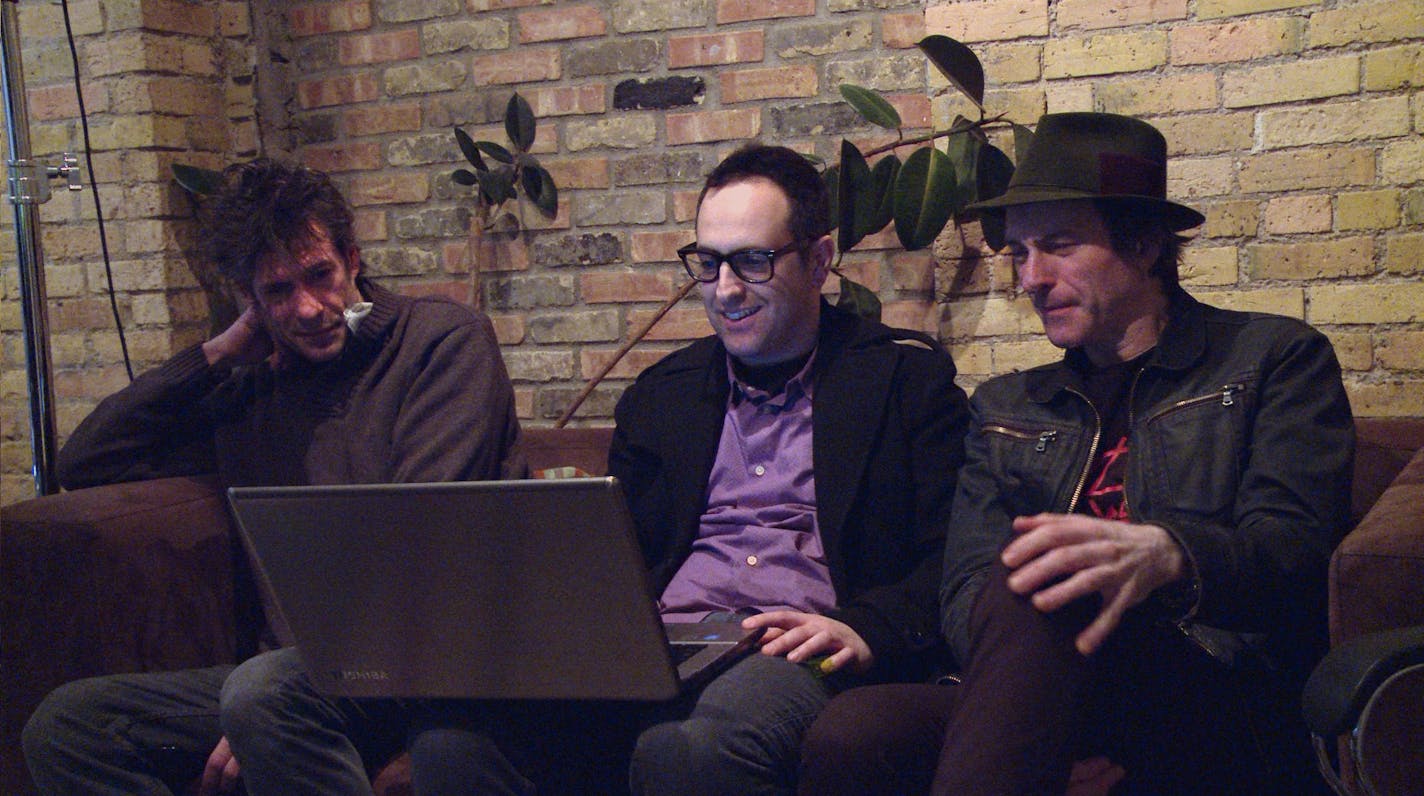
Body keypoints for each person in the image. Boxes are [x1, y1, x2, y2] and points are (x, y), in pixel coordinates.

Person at [798, 112, 1355, 794]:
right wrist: (1035, 728)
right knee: (855, 733)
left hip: (1210, 680)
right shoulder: (1008, 407)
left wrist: (1169, 555)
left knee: (1047, 584)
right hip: (1037, 677)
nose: (1032, 276)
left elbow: (1294, 554)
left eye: (1057, 245)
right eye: (1020, 252)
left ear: (1145, 243)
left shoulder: (1272, 359)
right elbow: (965, 588)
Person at [421, 144, 970, 794]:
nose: (726, 289)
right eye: (708, 264)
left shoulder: (905, 381)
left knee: (688, 749)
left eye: (754, 261)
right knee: (453, 747)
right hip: (668, 639)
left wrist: (866, 627)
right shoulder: (663, 395)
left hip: (796, 642)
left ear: (819, 261)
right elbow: (617, 557)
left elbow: (955, 554)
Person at [22, 158, 525, 795]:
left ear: (351, 258)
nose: (310, 308)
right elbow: (88, 460)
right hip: (288, 679)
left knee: (261, 693)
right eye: (279, 292)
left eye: (320, 276)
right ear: (249, 302)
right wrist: (218, 353)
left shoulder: (439, 343)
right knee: (68, 727)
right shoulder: (251, 391)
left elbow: (413, 537)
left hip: (425, 661)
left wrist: (266, 702)